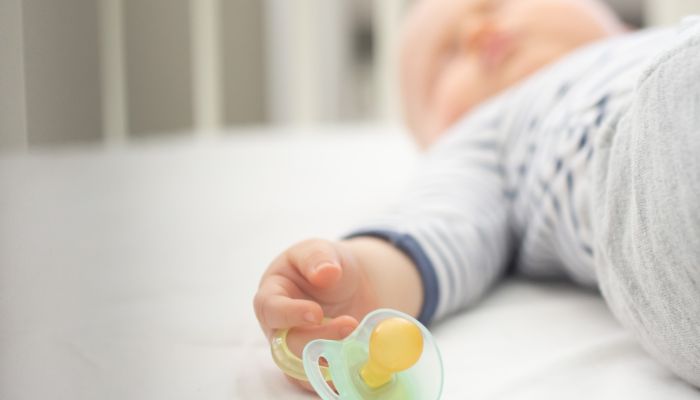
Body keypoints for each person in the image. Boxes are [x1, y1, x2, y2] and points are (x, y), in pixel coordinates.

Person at [253, 0, 700, 390]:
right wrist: (360, 282)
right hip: (646, 169)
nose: (476, 31)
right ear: (438, 140)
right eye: (445, 58)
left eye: (496, 2)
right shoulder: (482, 136)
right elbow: (436, 226)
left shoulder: (651, 40)